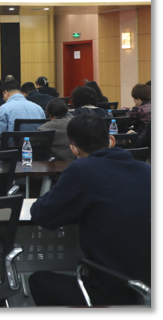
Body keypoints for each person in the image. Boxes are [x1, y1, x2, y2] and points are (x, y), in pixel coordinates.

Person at [28, 114, 151, 306]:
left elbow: (43, 216)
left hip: (114, 289)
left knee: (38, 282)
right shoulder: (145, 170)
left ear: (73, 149)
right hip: (145, 288)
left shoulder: (81, 170)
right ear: (111, 140)